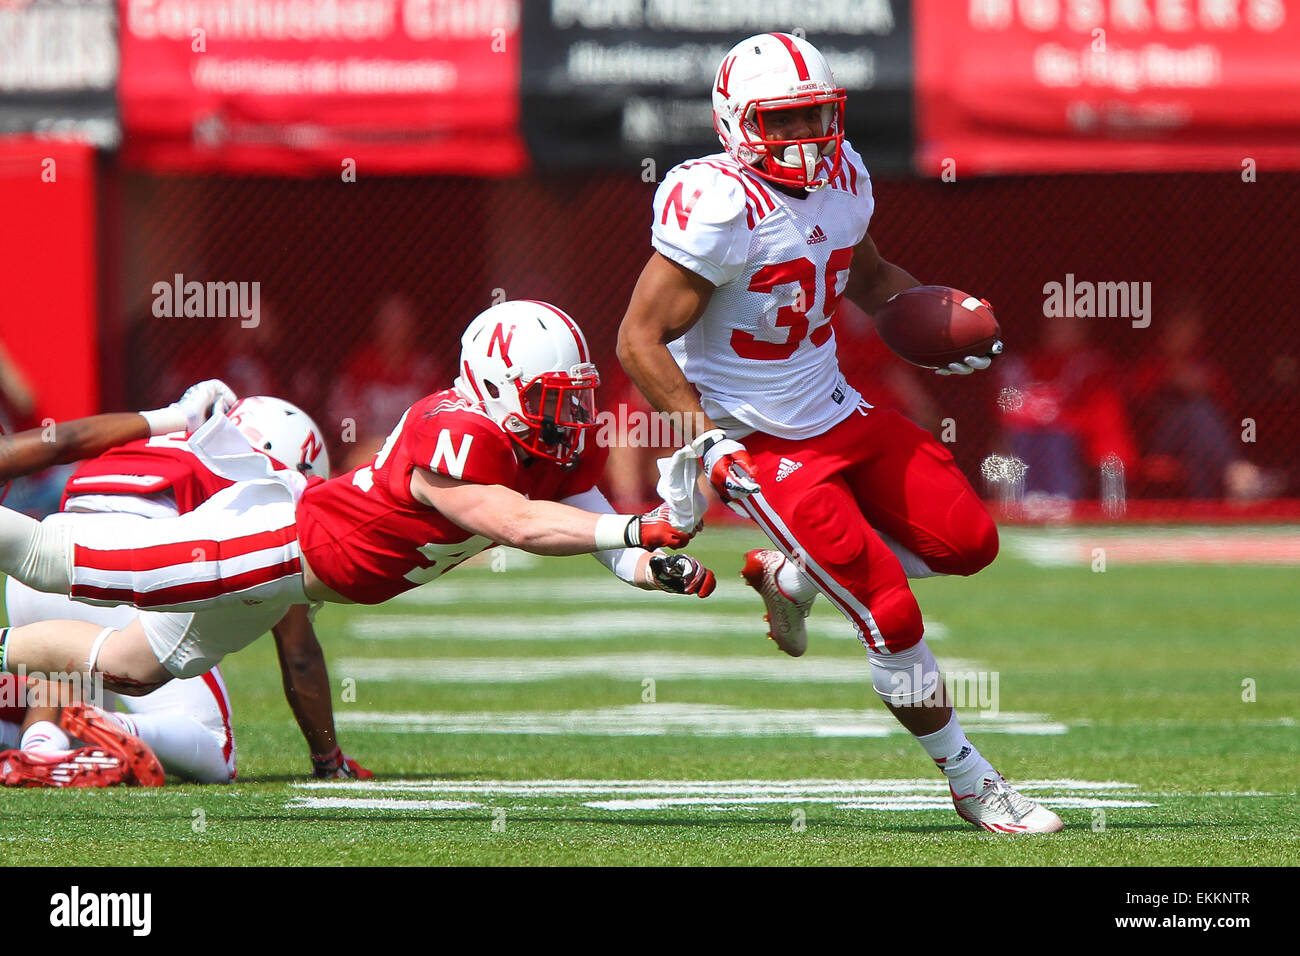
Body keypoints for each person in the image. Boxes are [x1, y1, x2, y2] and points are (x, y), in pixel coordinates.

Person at [616, 33, 1061, 834]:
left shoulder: (844, 175)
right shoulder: (716, 204)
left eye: (818, 114)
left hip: (837, 409)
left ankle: (797, 579)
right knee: (890, 613)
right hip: (760, 441)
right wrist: (709, 440)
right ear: (738, 124)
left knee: (969, 542)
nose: (808, 137)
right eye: (785, 122)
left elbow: (871, 277)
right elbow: (638, 341)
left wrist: (939, 320)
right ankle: (971, 778)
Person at [0, 301, 715, 709]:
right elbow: (515, 522)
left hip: (298, 574)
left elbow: (605, 540)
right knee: (46, 560)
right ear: (495, 389)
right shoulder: (453, 430)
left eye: (572, 398)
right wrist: (633, 521)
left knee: (142, 667)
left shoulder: (550, 446)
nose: (568, 417)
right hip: (276, 545)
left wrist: (656, 562)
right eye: (548, 401)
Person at [0, 391, 369, 786]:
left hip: (37, 572)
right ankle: (115, 726)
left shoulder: (150, 434)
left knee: (69, 681)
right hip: (120, 576)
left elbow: (68, 440)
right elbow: (299, 652)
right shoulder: (266, 481)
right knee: (214, 747)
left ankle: (40, 748)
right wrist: (328, 757)